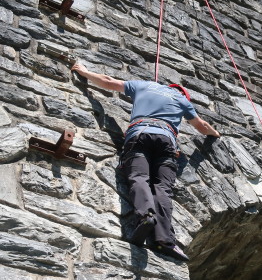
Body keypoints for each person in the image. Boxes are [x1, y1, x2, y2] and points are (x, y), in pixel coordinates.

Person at [71, 62, 220, 261]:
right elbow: (202, 126)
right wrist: (215, 133)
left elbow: (108, 82)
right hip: (166, 142)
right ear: (183, 93)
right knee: (163, 187)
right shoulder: (183, 100)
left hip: (140, 135)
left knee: (139, 176)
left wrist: (83, 71)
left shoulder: (145, 86)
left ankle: (146, 217)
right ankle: (165, 240)